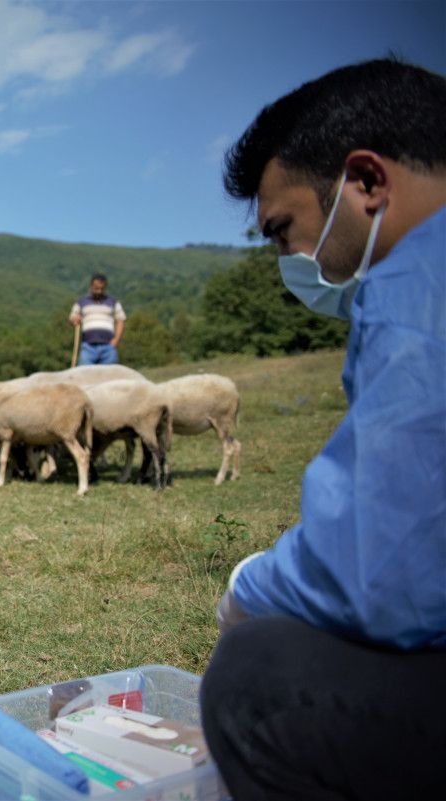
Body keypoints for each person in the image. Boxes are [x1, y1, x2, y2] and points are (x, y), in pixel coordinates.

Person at [199, 58, 446, 801]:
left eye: (284, 230)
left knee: (257, 676)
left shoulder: (417, 286)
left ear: (366, 182)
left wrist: (252, 583)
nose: (287, 260)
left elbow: (377, 571)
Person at [68, 273, 126, 365]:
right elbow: (72, 317)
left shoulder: (113, 302)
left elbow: (120, 320)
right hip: (88, 347)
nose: (99, 291)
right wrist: (75, 319)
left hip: (108, 347)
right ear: (91, 286)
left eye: (102, 289)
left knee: (110, 376)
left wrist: (116, 340)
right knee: (84, 374)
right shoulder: (81, 302)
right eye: (96, 288)